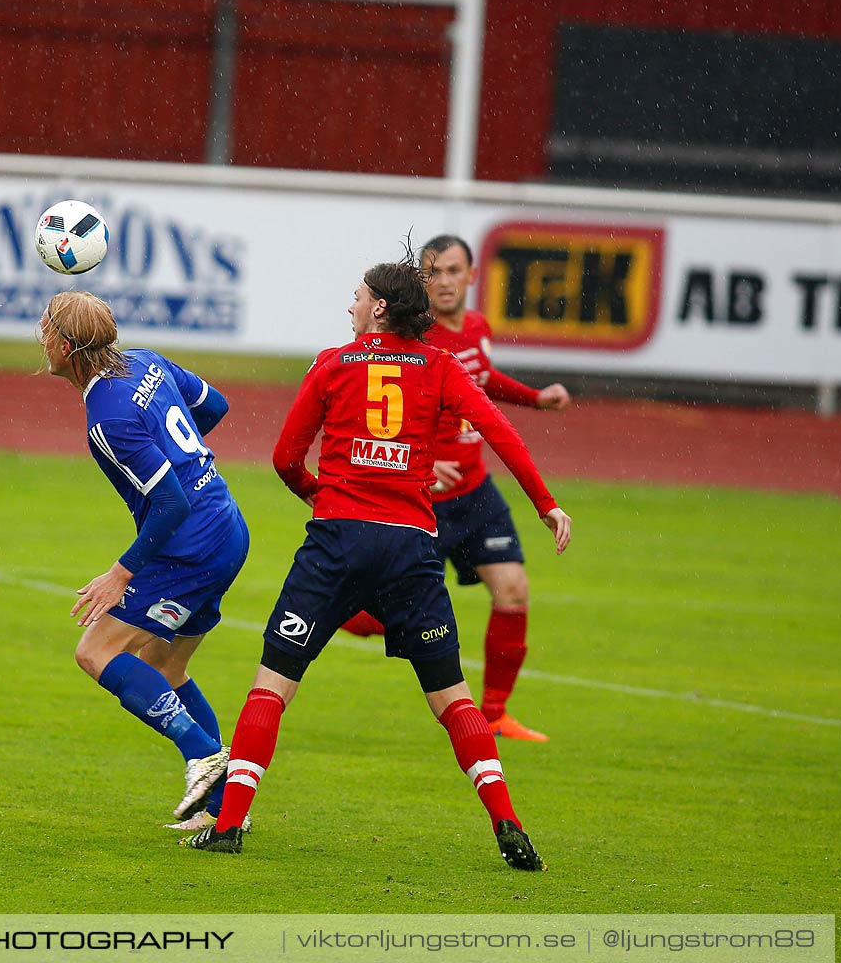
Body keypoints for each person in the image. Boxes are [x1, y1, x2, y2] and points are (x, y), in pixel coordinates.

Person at [185, 254, 572, 869]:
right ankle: (507, 824)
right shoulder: (441, 365)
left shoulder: (333, 364)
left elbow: (286, 457)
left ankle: (228, 824)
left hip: (336, 542)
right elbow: (500, 431)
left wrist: (320, 492)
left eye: (357, 297)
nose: (350, 306)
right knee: (451, 699)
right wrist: (546, 504)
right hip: (411, 547)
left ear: (379, 308)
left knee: (272, 688)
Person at [342, 233, 571, 741]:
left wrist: (537, 398)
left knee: (513, 590)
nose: (443, 281)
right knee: (380, 617)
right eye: (433, 272)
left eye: (452, 271)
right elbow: (375, 416)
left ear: (471, 277)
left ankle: (495, 713)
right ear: (421, 282)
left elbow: (483, 380)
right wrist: (419, 464)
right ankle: (333, 608)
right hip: (422, 500)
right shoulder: (416, 342)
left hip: (476, 490)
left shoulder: (476, 328)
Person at [42, 290, 249, 830]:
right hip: (227, 526)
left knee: (94, 652)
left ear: (66, 347)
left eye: (46, 329)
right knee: (167, 665)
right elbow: (216, 407)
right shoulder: (146, 360)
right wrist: (183, 458)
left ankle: (202, 754)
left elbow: (170, 502)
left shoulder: (104, 419)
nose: (40, 338)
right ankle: (226, 813)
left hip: (190, 544)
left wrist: (121, 573)